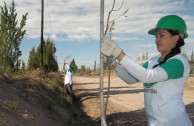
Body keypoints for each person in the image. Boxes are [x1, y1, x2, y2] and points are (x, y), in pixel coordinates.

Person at [100, 15, 193, 126]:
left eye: (161, 35)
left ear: (175, 38)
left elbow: (147, 76)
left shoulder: (179, 62)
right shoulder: (152, 62)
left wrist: (118, 53)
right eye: (156, 36)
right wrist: (114, 63)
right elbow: (131, 79)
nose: (157, 40)